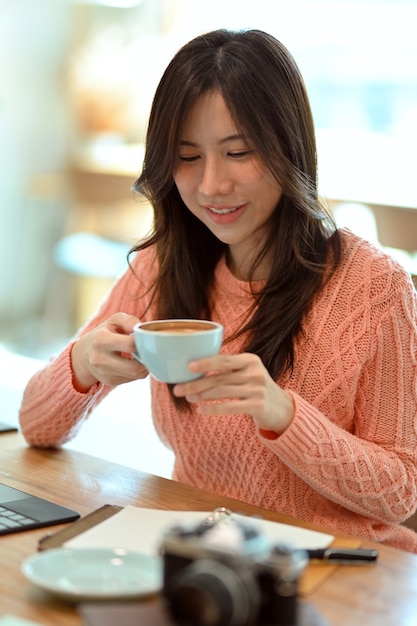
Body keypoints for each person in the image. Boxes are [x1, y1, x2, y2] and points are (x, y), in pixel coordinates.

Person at [19, 28, 417, 553]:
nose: (211, 186)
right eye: (188, 157)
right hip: (207, 557)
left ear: (288, 147)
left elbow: (401, 493)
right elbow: (35, 426)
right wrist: (83, 363)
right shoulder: (163, 265)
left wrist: (284, 415)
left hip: (343, 566)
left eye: (238, 152)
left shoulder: (375, 288)